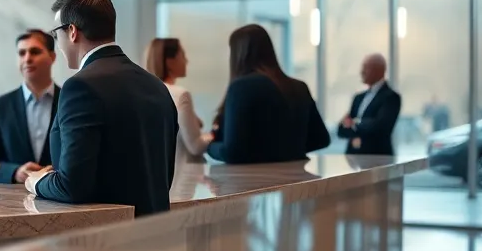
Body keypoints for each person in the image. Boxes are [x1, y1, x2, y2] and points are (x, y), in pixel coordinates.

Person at [25, 0, 177, 216]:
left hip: (107, 233)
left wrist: (37, 181)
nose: (58, 44)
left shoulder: (80, 87)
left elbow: (72, 186)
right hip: (157, 228)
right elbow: (163, 176)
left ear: (72, 31)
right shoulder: (156, 85)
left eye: (56, 35)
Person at [206, 24, 330, 164]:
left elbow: (232, 152)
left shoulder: (241, 87)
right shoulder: (299, 87)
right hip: (296, 174)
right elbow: (320, 139)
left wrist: (209, 146)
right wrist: (286, 151)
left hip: (255, 176)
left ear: (237, 54)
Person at [0, 29, 61, 184]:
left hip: (59, 192)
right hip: (14, 196)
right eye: (21, 53)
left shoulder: (69, 101)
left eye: (35, 52)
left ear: (52, 57)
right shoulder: (0, 106)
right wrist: (15, 172)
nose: (27, 58)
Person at [145, 37, 211, 163]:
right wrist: (214, 134)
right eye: (183, 56)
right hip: (185, 171)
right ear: (170, 61)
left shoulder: (145, 93)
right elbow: (195, 146)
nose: (187, 61)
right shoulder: (180, 95)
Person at [337, 53, 401, 156]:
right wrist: (356, 126)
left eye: (365, 68)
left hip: (378, 158)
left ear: (378, 70)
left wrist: (354, 123)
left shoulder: (391, 97)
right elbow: (342, 129)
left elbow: (381, 126)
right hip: (353, 158)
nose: (361, 72)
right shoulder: (358, 98)